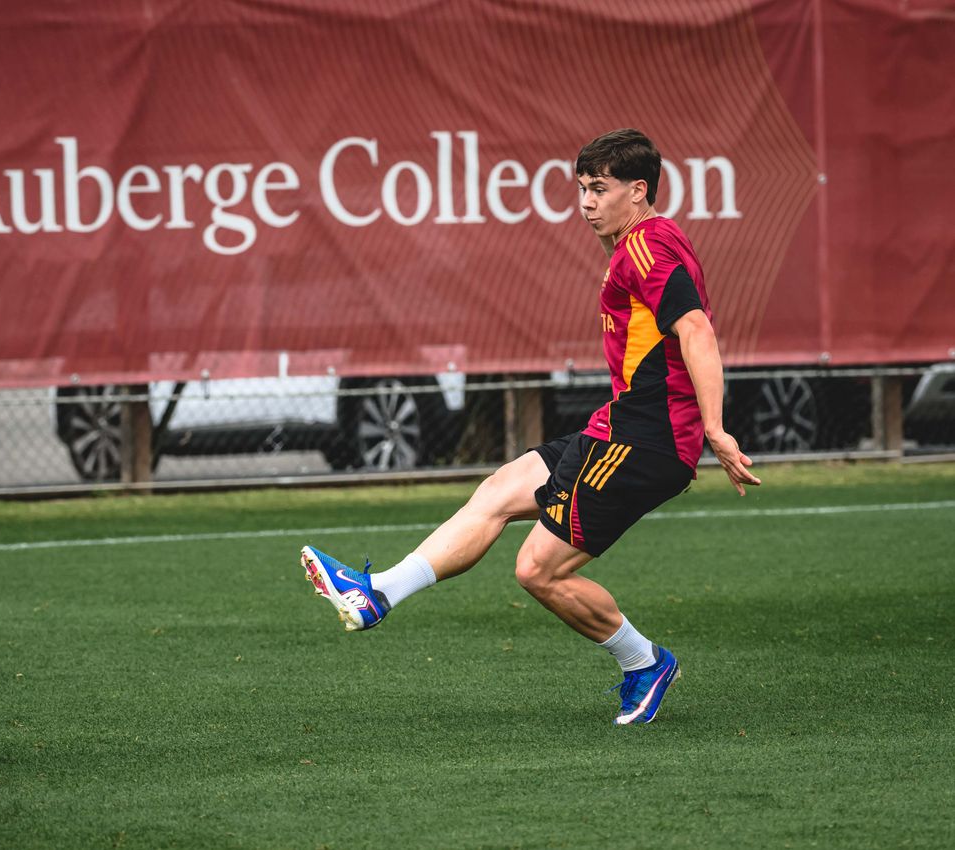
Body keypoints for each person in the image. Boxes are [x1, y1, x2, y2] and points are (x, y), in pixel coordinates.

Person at [302, 129, 760, 725]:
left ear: (638, 191)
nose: (586, 202)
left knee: (537, 570)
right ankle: (378, 594)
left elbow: (695, 328)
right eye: (582, 188)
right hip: (617, 428)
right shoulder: (643, 243)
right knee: (498, 491)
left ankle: (645, 662)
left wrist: (716, 429)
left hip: (644, 441)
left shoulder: (647, 246)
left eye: (600, 189)